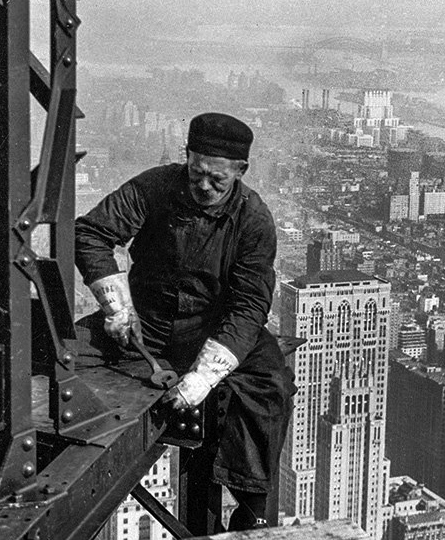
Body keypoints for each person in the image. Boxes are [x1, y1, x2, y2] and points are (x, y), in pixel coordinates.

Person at [74, 112, 296, 532]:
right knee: (63, 351)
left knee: (271, 384)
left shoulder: (253, 219)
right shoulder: (154, 186)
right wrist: (117, 307)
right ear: (186, 158)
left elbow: (250, 305)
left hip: (212, 331)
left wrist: (204, 377)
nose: (204, 187)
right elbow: (92, 233)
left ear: (240, 172)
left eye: (217, 179)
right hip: (145, 322)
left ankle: (252, 503)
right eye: (196, 174)